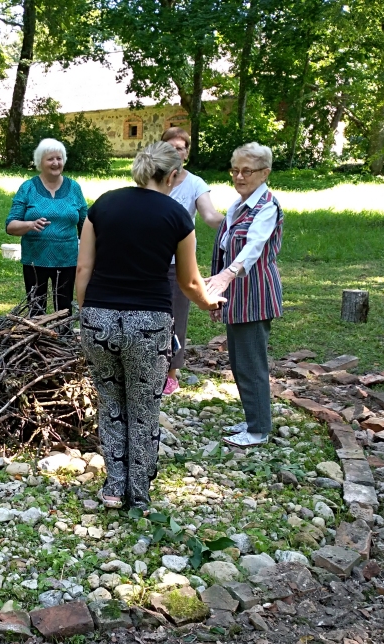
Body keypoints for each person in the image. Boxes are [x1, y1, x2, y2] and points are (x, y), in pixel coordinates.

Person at [76, 142, 223, 510]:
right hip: (149, 323)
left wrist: (87, 312)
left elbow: (83, 269)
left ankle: (113, 487)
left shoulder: (103, 205)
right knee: (143, 407)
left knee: (111, 401)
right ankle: (139, 494)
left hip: (100, 318)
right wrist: (209, 303)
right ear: (172, 175)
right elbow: (189, 282)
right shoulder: (177, 216)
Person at [205, 142, 284, 448]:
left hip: (255, 294)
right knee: (239, 362)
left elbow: (253, 248)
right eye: (235, 170)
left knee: (252, 362)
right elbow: (224, 249)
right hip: (236, 293)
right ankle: (254, 418)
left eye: (247, 171)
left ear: (265, 173)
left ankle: (259, 429)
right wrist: (214, 292)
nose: (239, 176)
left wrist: (225, 278)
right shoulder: (240, 204)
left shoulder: (266, 207)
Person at [160, 126, 224, 395]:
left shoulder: (195, 183)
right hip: (147, 259)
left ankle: (171, 372)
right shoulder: (152, 178)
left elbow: (209, 215)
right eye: (172, 147)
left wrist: (238, 222)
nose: (178, 151)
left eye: (182, 147)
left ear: (187, 151)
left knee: (177, 316)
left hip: (178, 262)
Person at [5, 138, 87, 315]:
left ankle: (62, 341)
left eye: (59, 158)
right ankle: (35, 342)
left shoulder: (74, 188)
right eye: (50, 159)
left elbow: (85, 224)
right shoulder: (28, 188)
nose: (56, 163)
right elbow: (10, 225)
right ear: (40, 162)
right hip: (35, 259)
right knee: (36, 308)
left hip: (67, 259)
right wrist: (29, 224)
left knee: (64, 309)